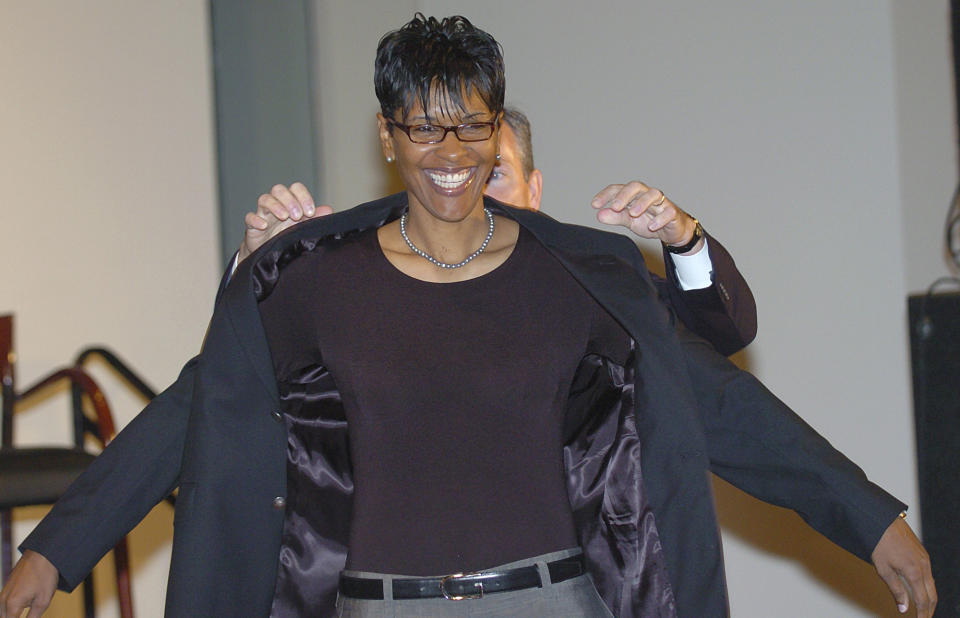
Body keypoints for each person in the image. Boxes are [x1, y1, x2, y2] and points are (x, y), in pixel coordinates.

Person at [0, 14, 935, 618]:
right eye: (422, 127)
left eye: (471, 127)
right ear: (387, 135)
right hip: (377, 605)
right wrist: (54, 552)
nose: (450, 151)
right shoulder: (317, 276)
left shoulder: (577, 272)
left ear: (498, 130)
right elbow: (193, 412)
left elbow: (725, 407)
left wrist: (870, 520)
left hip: (551, 601)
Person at [245, 107, 756, 355]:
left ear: (534, 190)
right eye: (453, 172)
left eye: (493, 174)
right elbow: (246, 386)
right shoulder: (358, 285)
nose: (470, 188)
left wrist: (682, 240)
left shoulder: (588, 282)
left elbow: (722, 337)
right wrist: (258, 269)